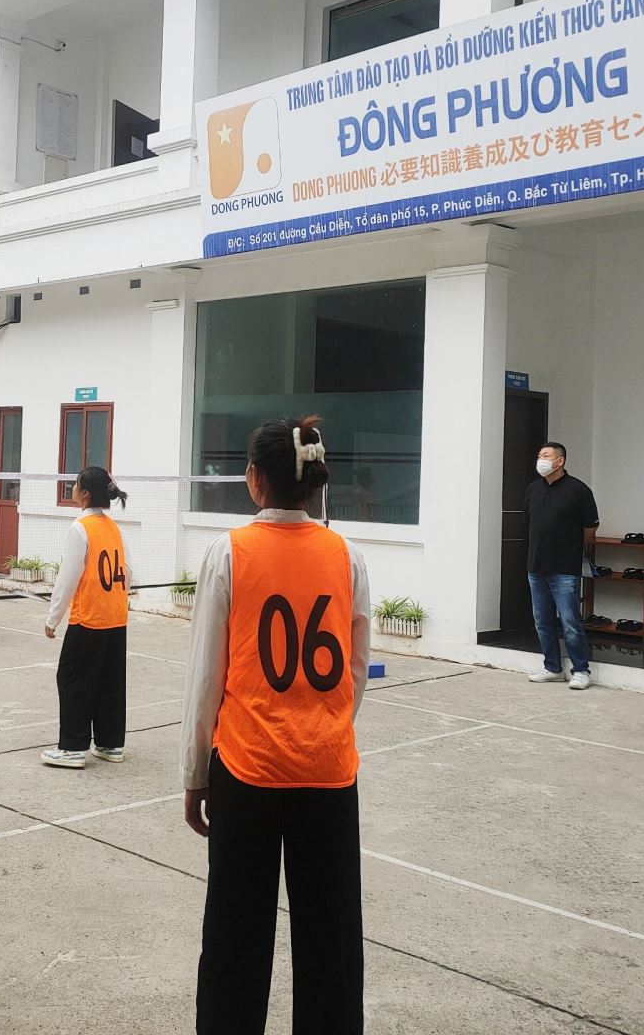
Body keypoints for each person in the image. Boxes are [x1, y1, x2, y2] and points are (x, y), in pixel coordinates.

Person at [182, 416, 370, 1035]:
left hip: (248, 770)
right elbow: (356, 670)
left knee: (235, 934)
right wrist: (324, 725)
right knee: (331, 939)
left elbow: (206, 674)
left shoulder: (229, 551)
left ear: (255, 479)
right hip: (329, 772)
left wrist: (195, 771)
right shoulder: (346, 555)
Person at [40, 467, 131, 768]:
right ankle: (109, 743)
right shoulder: (113, 527)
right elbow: (127, 572)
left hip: (89, 617)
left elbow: (68, 578)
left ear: (85, 494)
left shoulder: (80, 527)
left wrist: (53, 617)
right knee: (109, 682)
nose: (72, 489)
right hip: (115, 617)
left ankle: (72, 747)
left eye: (76, 485)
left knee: (72, 679)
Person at [523, 440, 599, 690]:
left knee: (570, 622)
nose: (541, 460)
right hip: (536, 566)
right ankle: (552, 667)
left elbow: (590, 529)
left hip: (565, 567)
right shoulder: (533, 488)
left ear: (560, 461)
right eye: (539, 455)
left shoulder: (578, 490)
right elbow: (530, 522)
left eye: (546, 456)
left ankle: (581, 670)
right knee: (542, 621)